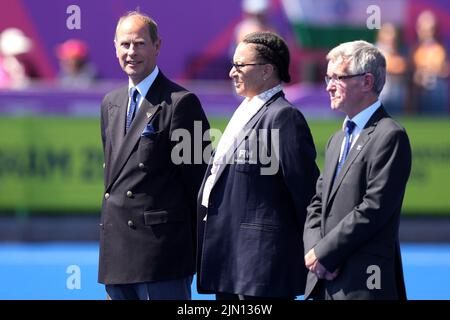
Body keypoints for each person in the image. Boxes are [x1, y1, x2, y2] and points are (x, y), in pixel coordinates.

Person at [197, 31, 319, 300]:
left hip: (260, 269)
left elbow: (306, 192)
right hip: (231, 262)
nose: (232, 72)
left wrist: (317, 250)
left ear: (266, 71)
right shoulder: (247, 108)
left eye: (240, 65)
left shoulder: (284, 117)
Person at [98, 11, 210, 300]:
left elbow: (200, 185)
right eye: (125, 45)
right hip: (117, 256)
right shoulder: (110, 103)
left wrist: (196, 251)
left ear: (157, 46)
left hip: (161, 257)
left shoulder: (182, 103)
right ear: (115, 47)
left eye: (139, 44)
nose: (131, 52)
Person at [303, 40, 412, 300]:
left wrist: (326, 254)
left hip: (362, 286)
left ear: (366, 82)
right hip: (323, 283)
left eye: (337, 77)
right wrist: (315, 254)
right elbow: (317, 203)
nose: (328, 86)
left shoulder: (390, 135)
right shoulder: (336, 140)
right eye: (327, 77)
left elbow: (374, 208)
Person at [410, 10, 449, 114]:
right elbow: (408, 72)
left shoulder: (444, 48)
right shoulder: (412, 49)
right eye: (423, 29)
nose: (427, 33)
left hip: (439, 92)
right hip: (419, 94)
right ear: (418, 29)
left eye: (430, 29)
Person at [375, 23, 408, 115]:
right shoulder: (375, 51)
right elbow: (395, 67)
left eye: (393, 33)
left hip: (397, 94)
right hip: (382, 94)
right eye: (387, 33)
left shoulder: (399, 51)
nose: (392, 36)